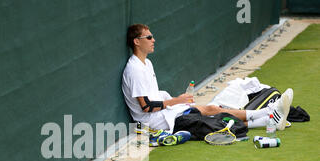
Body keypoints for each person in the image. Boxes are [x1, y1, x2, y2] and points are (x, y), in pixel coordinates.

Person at [122, 24, 293, 146]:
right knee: (212, 114)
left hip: (164, 114)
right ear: (137, 41)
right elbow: (146, 107)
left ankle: (267, 118)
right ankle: (268, 114)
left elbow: (154, 96)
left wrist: (176, 100)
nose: (153, 40)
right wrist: (176, 101)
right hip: (154, 121)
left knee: (213, 114)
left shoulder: (147, 64)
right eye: (149, 37)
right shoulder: (134, 69)